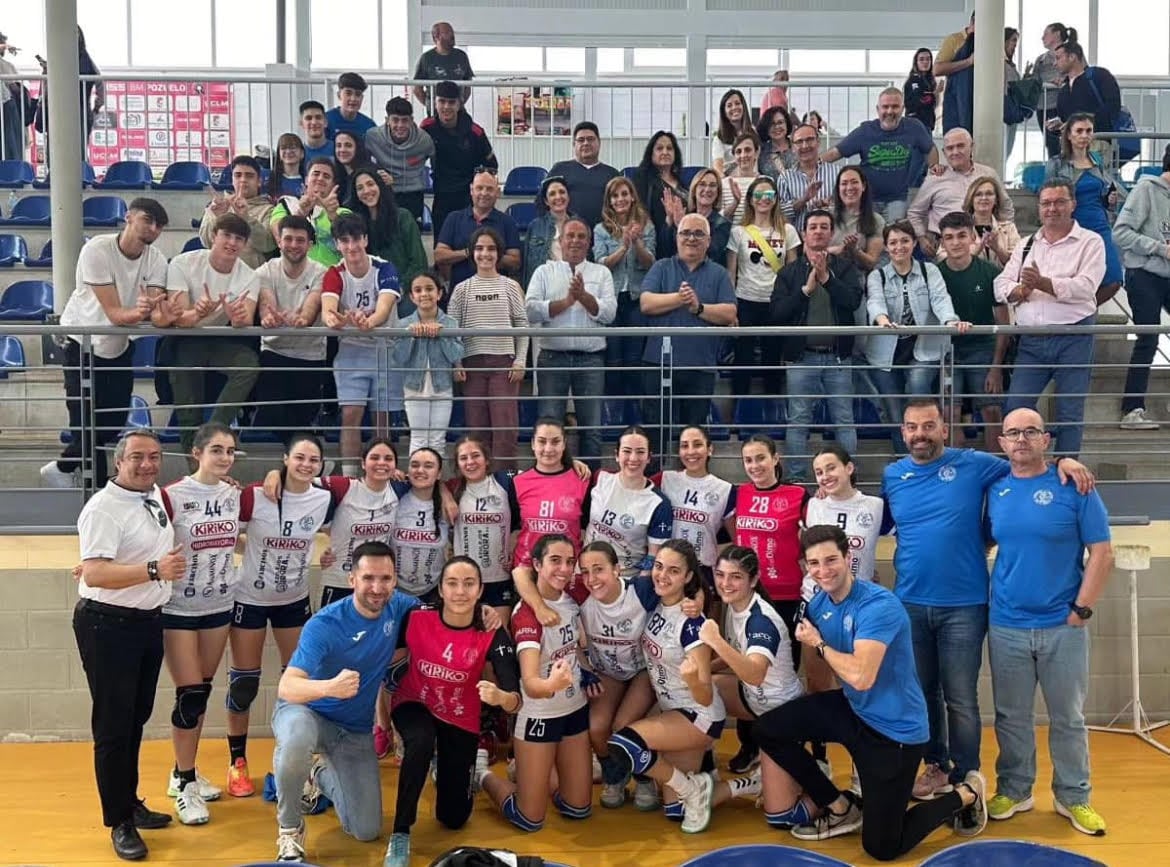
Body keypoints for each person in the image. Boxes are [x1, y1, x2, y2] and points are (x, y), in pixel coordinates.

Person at [880, 398, 1092, 804]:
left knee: (960, 697)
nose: (919, 434)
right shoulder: (893, 475)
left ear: (945, 429)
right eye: (911, 427)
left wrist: (1065, 459)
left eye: (928, 426)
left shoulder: (976, 464)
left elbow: (1027, 462)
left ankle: (966, 778)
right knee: (923, 693)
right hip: (909, 602)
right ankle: (936, 767)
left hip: (965, 604)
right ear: (903, 432)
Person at [752, 525, 988, 857]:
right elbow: (822, 680)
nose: (823, 570)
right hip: (853, 710)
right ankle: (838, 805)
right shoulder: (819, 605)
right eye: (814, 563)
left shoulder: (878, 606)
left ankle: (964, 793)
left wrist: (817, 643)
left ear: (848, 558)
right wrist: (811, 720)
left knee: (882, 847)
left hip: (895, 733)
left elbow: (861, 677)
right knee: (769, 729)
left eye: (831, 559)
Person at [985, 408, 1113, 837]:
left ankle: (1074, 796)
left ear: (1046, 439)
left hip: (1063, 625)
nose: (1021, 439)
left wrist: (1082, 609)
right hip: (1006, 625)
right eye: (1013, 433)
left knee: (1068, 718)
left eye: (1030, 432)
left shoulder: (1075, 486)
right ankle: (1016, 789)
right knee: (1012, 716)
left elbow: (1102, 552)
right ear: (1002, 443)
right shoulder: (995, 490)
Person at [73, 430, 184, 860]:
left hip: (145, 624)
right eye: (137, 457)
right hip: (109, 627)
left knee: (134, 718)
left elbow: (103, 562)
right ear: (118, 462)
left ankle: (129, 802)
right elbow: (95, 575)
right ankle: (117, 821)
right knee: (113, 728)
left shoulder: (152, 494)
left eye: (154, 456)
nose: (147, 464)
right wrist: (156, 569)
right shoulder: (103, 507)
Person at [270, 540, 418, 862]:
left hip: (352, 730)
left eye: (385, 579)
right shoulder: (325, 624)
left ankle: (318, 775)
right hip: (306, 712)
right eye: (368, 578)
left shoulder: (400, 606)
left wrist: (483, 613)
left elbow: (445, 612)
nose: (377, 588)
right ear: (352, 579)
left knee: (366, 830)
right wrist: (328, 687)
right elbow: (287, 686)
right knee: (296, 739)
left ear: (394, 580)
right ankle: (290, 830)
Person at [385, 557, 520, 867]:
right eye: (452, 583)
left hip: (459, 715)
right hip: (414, 702)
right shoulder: (416, 617)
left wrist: (501, 697)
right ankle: (400, 834)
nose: (460, 591)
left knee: (454, 818)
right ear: (441, 590)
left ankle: (447, 769)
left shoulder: (492, 630)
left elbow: (516, 698)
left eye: (469, 584)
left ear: (480, 590)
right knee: (420, 741)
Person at [225, 434, 331, 798]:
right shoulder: (256, 494)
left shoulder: (325, 497)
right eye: (299, 457)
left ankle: (293, 757)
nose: (306, 464)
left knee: (297, 683)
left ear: (321, 466)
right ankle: (237, 761)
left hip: (293, 599)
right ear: (285, 458)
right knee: (244, 683)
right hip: (250, 598)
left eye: (313, 459)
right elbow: (220, 515)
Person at [41, 198, 169, 489]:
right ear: (128, 217)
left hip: (121, 344)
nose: (153, 228)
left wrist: (155, 311)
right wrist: (140, 312)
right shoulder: (97, 249)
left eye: (159, 225)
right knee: (85, 419)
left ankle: (64, 467)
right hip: (81, 341)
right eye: (147, 220)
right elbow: (114, 313)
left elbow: (152, 304)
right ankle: (94, 488)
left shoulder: (157, 259)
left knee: (111, 422)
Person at [605, 539, 727, 834]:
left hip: (698, 716)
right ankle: (746, 784)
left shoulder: (691, 623)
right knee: (674, 810)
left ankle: (691, 787)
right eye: (659, 567)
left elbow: (706, 692)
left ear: (687, 577)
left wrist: (690, 679)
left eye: (674, 571)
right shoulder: (661, 601)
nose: (662, 575)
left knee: (625, 745)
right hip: (673, 709)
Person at [478, 534, 594, 832]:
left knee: (577, 809)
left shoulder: (572, 597)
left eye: (570, 562)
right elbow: (530, 684)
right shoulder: (527, 614)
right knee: (529, 819)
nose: (565, 569)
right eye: (555, 561)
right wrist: (553, 683)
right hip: (539, 715)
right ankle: (481, 774)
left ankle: (534, 772)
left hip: (575, 711)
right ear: (538, 565)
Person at [158, 423, 241, 826]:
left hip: (219, 605)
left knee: (202, 692)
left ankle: (181, 771)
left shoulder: (234, 495)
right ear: (197, 453)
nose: (224, 457)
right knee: (188, 695)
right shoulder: (172, 497)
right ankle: (184, 783)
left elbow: (243, 538)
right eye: (217, 450)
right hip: (177, 609)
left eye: (229, 451)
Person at [697, 546, 810, 829]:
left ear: (753, 579)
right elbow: (738, 653)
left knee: (780, 816)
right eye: (721, 575)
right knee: (696, 687)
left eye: (735, 577)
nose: (725, 583)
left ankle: (759, 782)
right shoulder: (737, 606)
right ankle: (705, 761)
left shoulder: (761, 619)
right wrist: (705, 669)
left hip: (780, 714)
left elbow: (755, 673)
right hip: (752, 700)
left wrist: (714, 640)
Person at [993, 178, 1106, 457]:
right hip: (1031, 342)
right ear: (1039, 207)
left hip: (1074, 338)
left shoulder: (1091, 242)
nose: (1051, 208)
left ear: (1073, 205)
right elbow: (1000, 284)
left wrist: (1043, 283)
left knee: (1070, 412)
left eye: (1059, 202)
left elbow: (1086, 288)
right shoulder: (1027, 244)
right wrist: (1020, 290)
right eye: (1046, 203)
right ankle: (1022, 470)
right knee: (1016, 408)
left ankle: (1067, 472)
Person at [153, 213, 260, 455]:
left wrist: (236, 316)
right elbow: (179, 318)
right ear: (213, 236)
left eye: (239, 238)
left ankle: (214, 434)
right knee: (188, 410)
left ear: (244, 244)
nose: (232, 243)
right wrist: (199, 312)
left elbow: (245, 320)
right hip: (186, 339)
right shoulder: (183, 263)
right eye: (227, 235)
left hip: (223, 339)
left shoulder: (249, 276)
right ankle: (194, 467)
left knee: (248, 364)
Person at [771, 209, 863, 482]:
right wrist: (806, 291)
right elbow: (777, 313)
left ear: (832, 233)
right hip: (801, 358)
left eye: (824, 227)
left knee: (844, 420)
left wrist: (826, 280)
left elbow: (853, 301)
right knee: (798, 421)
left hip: (838, 358)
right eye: (813, 227)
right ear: (803, 234)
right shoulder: (789, 272)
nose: (819, 231)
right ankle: (797, 480)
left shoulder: (845, 268)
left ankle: (847, 480)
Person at [865, 220, 969, 454]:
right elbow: (875, 302)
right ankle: (905, 460)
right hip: (886, 352)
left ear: (913, 243)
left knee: (917, 389)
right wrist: (883, 320)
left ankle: (927, 456)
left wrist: (950, 321)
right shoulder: (877, 276)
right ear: (886, 247)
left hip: (924, 347)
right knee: (894, 412)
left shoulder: (928, 270)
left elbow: (941, 300)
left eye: (904, 241)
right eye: (893, 242)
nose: (899, 246)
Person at [638, 213, 737, 460]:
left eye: (698, 233)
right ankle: (656, 481)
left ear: (708, 240)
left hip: (700, 365)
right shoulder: (661, 266)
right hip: (658, 364)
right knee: (655, 429)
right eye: (686, 233)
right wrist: (680, 299)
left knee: (694, 435)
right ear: (676, 237)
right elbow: (646, 303)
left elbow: (729, 312)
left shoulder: (719, 273)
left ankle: (693, 485)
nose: (691, 238)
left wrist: (699, 308)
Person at [527, 218, 617, 467]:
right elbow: (531, 311)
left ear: (589, 242)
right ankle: (552, 481)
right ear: (561, 241)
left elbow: (609, 314)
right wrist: (566, 302)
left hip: (591, 359)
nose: (575, 240)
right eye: (570, 236)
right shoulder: (544, 271)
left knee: (592, 428)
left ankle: (590, 491)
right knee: (549, 427)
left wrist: (584, 297)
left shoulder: (601, 272)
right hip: (552, 357)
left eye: (581, 236)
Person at [321, 213, 401, 473]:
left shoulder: (385, 268)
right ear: (336, 244)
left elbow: (384, 308)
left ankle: (384, 473)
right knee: (350, 416)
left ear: (365, 239)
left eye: (356, 239)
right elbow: (328, 310)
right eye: (344, 241)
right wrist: (336, 320)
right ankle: (350, 477)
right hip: (351, 351)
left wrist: (370, 322)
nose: (351, 246)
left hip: (384, 349)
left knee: (382, 420)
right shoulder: (334, 273)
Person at [447, 226, 529, 469]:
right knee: (477, 429)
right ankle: (478, 483)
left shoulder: (510, 286)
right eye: (480, 248)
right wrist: (457, 363)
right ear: (472, 253)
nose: (485, 254)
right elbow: (452, 331)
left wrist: (520, 360)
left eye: (491, 249)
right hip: (472, 366)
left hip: (504, 364)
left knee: (505, 430)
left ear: (499, 253)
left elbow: (523, 325)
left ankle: (505, 483)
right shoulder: (462, 289)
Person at [936, 211, 1009, 452]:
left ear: (972, 238)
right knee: (950, 411)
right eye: (949, 237)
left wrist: (996, 368)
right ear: (942, 242)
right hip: (948, 351)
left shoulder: (989, 272)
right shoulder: (935, 275)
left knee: (992, 409)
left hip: (983, 349)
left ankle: (996, 470)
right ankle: (957, 471)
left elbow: (1003, 322)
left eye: (961, 236)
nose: (955, 242)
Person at [727, 175, 801, 403]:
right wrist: (731, 308)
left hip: (776, 302)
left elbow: (793, 271)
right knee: (743, 359)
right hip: (746, 299)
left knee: (773, 357)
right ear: (750, 200)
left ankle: (771, 408)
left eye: (769, 195)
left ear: (776, 199)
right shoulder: (739, 232)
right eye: (758, 195)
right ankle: (739, 411)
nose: (763, 199)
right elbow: (731, 272)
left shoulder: (787, 230)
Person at [253, 216, 328, 436]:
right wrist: (269, 318)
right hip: (274, 352)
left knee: (302, 423)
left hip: (311, 355)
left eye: (300, 240)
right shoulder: (265, 271)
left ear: (310, 245)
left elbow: (311, 307)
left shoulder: (321, 272)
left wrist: (302, 319)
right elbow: (267, 304)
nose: (293, 245)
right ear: (279, 241)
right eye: (288, 239)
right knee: (271, 419)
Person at [1113, 145, 1170, 431]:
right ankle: (1132, 409)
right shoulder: (1147, 189)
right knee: (1149, 337)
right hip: (1144, 273)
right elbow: (1120, 233)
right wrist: (1161, 249)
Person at [820, 88, 937, 222]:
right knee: (869, 235)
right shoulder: (865, 131)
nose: (889, 111)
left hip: (898, 198)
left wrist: (934, 170)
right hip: (868, 199)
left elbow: (930, 149)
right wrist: (812, 164)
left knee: (894, 235)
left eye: (895, 107)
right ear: (878, 109)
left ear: (902, 109)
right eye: (885, 107)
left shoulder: (914, 127)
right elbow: (836, 152)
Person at [1045, 112, 1125, 304]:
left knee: (1114, 279)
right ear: (1069, 135)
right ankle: (1074, 315)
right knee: (1074, 280)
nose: (1084, 135)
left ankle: (1082, 310)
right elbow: (1047, 198)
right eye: (1079, 131)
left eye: (1088, 131)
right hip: (1071, 228)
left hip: (1100, 225)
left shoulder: (1098, 161)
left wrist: (1110, 200)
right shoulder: (1056, 164)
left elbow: (1106, 193)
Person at [447, 436, 522, 624]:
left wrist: (514, 541)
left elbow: (542, 473)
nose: (470, 462)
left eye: (475, 456)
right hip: (465, 579)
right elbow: (429, 482)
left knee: (498, 634)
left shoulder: (505, 481)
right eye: (463, 458)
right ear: (457, 463)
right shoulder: (453, 487)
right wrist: (446, 496)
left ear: (487, 459)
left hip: (499, 576)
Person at [595, 175, 656, 400]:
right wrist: (623, 247)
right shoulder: (601, 229)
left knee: (634, 357)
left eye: (624, 194)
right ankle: (614, 409)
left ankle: (633, 411)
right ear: (609, 201)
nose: (620, 199)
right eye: (615, 196)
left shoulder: (646, 226)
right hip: (611, 298)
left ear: (632, 197)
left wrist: (638, 242)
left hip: (637, 297)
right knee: (613, 357)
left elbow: (650, 262)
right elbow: (600, 264)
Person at [653, 426, 736, 591]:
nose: (691, 451)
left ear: (709, 449)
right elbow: (632, 481)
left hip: (703, 572)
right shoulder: (665, 479)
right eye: (684, 446)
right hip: (668, 572)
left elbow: (737, 539)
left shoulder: (725, 490)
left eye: (697, 444)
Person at [908, 129, 1014, 258]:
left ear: (971, 147)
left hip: (986, 243)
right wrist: (922, 239)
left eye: (960, 146)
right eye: (950, 148)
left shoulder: (988, 174)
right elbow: (914, 212)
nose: (955, 152)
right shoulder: (935, 178)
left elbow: (1006, 207)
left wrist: (1005, 235)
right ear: (944, 152)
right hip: (945, 246)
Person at [582, 426, 673, 576]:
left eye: (640, 452)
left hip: (625, 579)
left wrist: (638, 587)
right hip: (587, 574)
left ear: (649, 457)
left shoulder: (659, 504)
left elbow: (653, 557)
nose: (633, 458)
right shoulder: (600, 479)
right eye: (627, 451)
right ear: (616, 455)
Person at [393, 271, 464, 452]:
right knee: (418, 438)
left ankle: (435, 481)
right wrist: (411, 336)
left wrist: (442, 335)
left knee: (437, 440)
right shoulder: (403, 324)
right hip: (413, 388)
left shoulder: (450, 323)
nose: (424, 294)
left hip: (442, 388)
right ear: (412, 296)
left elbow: (456, 355)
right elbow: (399, 357)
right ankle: (418, 480)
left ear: (439, 294)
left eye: (429, 289)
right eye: (418, 290)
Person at [511, 418, 592, 570]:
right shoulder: (518, 482)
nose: (548, 449)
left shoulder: (582, 480)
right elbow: (514, 530)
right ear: (533, 444)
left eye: (555, 442)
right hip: (527, 568)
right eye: (542, 441)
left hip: (566, 571)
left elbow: (586, 529)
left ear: (564, 444)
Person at [421, 81, 498, 242]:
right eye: (442, 101)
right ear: (435, 103)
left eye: (451, 102)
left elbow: (492, 165)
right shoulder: (427, 128)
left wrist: (477, 187)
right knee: (442, 246)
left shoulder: (475, 132)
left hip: (468, 196)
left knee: (473, 244)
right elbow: (415, 155)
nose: (446, 107)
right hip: (442, 195)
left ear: (459, 104)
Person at [805, 445, 884, 584]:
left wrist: (869, 571)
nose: (825, 476)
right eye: (819, 472)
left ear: (849, 468)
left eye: (831, 468)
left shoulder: (876, 506)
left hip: (860, 595)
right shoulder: (813, 505)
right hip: (818, 595)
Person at [434, 169, 522, 290]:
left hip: (497, 293)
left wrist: (486, 256)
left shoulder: (508, 222)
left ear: (497, 192)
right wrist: (468, 252)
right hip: (460, 293)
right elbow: (439, 255)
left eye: (489, 189)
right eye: (479, 188)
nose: (484, 193)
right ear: (471, 190)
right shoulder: (454, 218)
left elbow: (515, 262)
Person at [345, 166, 428, 288]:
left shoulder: (402, 216)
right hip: (370, 290)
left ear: (380, 186)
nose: (366, 191)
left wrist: (398, 287)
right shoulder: (356, 223)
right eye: (360, 188)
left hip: (405, 288)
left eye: (370, 184)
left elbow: (418, 262)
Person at [364, 97, 434, 225]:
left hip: (413, 193)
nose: (400, 125)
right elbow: (363, 164)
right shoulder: (373, 137)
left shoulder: (424, 140)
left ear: (412, 121)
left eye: (405, 120)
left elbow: (436, 164)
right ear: (387, 120)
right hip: (384, 191)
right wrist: (378, 175)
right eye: (395, 120)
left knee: (409, 232)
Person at [270, 157, 351, 266]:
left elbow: (351, 244)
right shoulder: (285, 205)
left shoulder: (343, 213)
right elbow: (279, 236)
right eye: (316, 174)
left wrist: (332, 215)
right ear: (306, 179)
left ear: (333, 184)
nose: (320, 178)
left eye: (326, 176)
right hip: (295, 277)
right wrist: (301, 213)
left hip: (332, 277)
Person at [198, 155, 276, 269]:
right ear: (232, 179)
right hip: (218, 273)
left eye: (249, 176)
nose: (243, 180)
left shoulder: (269, 210)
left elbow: (268, 245)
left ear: (259, 181)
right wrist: (216, 217)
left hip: (251, 275)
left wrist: (246, 218)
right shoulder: (218, 206)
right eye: (238, 175)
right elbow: (206, 242)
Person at [1052, 40, 1120, 159]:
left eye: (1058, 58)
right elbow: (1065, 118)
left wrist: (1080, 122)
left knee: (1093, 175)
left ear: (1072, 57)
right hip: (1071, 147)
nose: (1054, 63)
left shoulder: (1099, 76)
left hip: (1097, 142)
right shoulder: (1064, 90)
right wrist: (1059, 125)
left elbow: (1113, 106)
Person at [549, 122, 620, 231]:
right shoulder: (559, 170)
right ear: (574, 144)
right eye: (581, 140)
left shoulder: (612, 174)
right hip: (566, 237)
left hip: (604, 237)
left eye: (590, 139)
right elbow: (542, 202)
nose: (586, 143)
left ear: (599, 143)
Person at [661, 168, 732, 268]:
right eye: (702, 184)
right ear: (694, 190)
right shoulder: (683, 217)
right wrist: (670, 219)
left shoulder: (722, 224)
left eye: (712, 185)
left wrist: (683, 229)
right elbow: (664, 251)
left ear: (718, 192)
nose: (707, 189)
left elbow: (711, 254)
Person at [633, 130, 687, 258]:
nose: (665, 152)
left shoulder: (682, 182)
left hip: (682, 241)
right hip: (656, 244)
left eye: (669, 148)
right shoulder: (642, 179)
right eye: (659, 148)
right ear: (651, 153)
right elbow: (640, 212)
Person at [778, 124, 838, 232]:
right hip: (797, 241)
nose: (805, 146)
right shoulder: (785, 178)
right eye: (799, 142)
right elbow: (779, 214)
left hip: (830, 240)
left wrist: (829, 206)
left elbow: (846, 209)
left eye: (810, 140)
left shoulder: (836, 172)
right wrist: (803, 200)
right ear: (792, 148)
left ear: (818, 142)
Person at [827, 166, 886, 274]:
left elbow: (871, 263)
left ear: (863, 186)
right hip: (826, 274)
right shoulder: (827, 216)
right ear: (838, 188)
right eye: (844, 183)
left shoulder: (876, 220)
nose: (849, 187)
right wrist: (837, 250)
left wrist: (854, 250)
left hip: (857, 278)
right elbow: (809, 253)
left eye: (854, 182)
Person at [1030, 23, 1076, 159]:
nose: (1042, 37)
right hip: (1043, 107)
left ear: (1056, 34)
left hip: (1061, 105)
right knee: (1051, 145)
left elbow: (1079, 71)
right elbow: (1034, 80)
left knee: (1066, 143)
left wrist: (1065, 79)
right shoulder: (1041, 59)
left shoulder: (1071, 53)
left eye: (1046, 34)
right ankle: (1055, 175)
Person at [523, 175, 575, 288]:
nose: (558, 197)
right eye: (552, 194)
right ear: (546, 201)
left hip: (574, 285)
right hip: (545, 286)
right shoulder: (535, 226)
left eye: (562, 192)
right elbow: (527, 266)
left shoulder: (579, 224)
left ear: (568, 196)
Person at [412, 22, 474, 109]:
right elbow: (417, 88)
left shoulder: (462, 56)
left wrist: (459, 104)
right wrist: (431, 105)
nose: (452, 35)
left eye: (452, 32)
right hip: (435, 111)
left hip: (458, 111)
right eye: (447, 32)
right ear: (436, 37)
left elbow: (468, 85)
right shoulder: (426, 58)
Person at [964, 175, 1021, 267]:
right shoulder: (960, 228)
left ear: (996, 200)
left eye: (989, 194)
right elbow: (948, 261)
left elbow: (1018, 263)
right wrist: (976, 251)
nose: (984, 198)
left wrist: (997, 249)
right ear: (971, 200)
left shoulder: (1009, 228)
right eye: (978, 194)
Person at [935, 12, 976, 134]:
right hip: (958, 102)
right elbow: (937, 69)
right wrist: (968, 62)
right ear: (973, 21)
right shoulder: (954, 40)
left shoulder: (989, 44)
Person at [718, 132, 762, 226]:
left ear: (757, 153)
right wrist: (735, 202)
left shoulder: (766, 182)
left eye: (748, 150)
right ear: (734, 156)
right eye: (738, 151)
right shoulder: (724, 183)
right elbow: (720, 218)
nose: (743, 155)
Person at [711, 89, 752, 176]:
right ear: (724, 112)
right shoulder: (719, 139)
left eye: (737, 103)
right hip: (729, 181)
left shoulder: (754, 132)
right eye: (729, 105)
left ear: (743, 106)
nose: (734, 107)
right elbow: (718, 169)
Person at [325, 72, 375, 140]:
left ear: (362, 98)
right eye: (348, 93)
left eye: (358, 94)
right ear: (339, 95)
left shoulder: (369, 125)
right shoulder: (326, 121)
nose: (353, 99)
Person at [903, 48, 939, 133]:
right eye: (921, 59)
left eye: (928, 59)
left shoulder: (929, 81)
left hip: (927, 123)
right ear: (916, 62)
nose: (925, 62)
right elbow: (922, 100)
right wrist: (935, 94)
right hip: (915, 125)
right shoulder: (914, 80)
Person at [756, 107, 797, 181]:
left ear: (787, 124)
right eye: (772, 124)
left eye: (780, 122)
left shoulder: (798, 146)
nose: (777, 127)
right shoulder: (761, 152)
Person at [330, 130, 369, 200]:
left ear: (357, 148)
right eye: (338, 146)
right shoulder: (335, 175)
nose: (342, 150)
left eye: (348, 145)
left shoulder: (369, 173)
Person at [269, 133, 306, 199]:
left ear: (302, 153)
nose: (288, 151)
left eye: (293, 147)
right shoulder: (269, 179)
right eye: (283, 148)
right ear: (279, 154)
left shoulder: (308, 181)